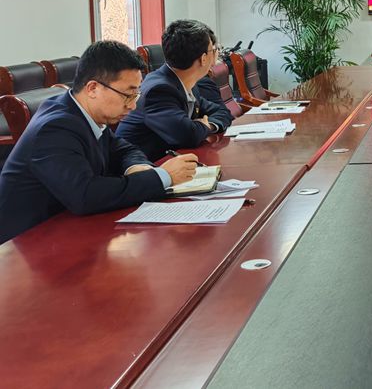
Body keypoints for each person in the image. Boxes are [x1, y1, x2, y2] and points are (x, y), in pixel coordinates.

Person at [0, 41, 198, 244]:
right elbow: (86, 195)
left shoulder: (83, 113)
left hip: (67, 230)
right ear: (93, 88)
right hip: (26, 245)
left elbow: (123, 149)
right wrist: (163, 176)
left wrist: (136, 167)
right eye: (128, 95)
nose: (133, 105)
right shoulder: (55, 128)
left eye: (136, 94)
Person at [117, 20, 233, 161]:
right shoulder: (159, 90)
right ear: (203, 59)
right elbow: (188, 135)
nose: (215, 55)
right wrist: (202, 126)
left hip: (171, 162)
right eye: (212, 51)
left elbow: (223, 112)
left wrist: (208, 125)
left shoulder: (186, 82)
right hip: (144, 167)